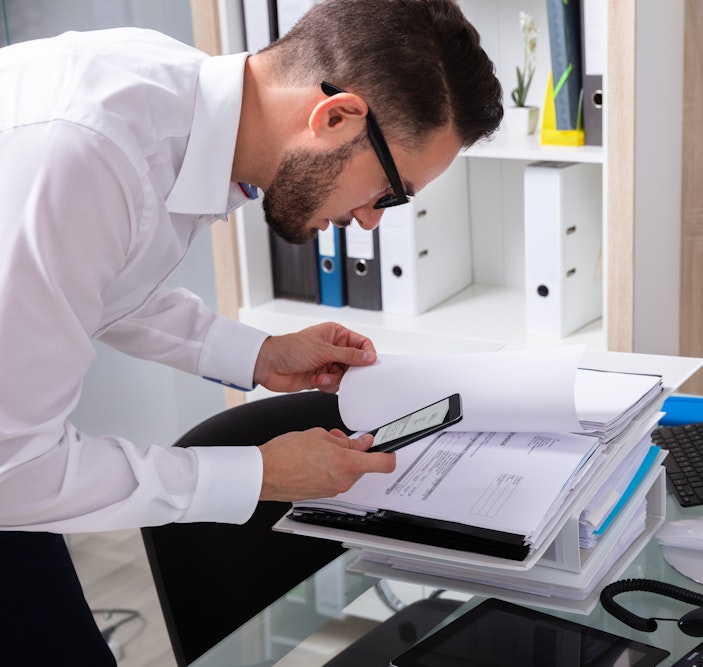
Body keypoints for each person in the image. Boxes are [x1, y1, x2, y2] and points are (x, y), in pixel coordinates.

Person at [0, 0, 503, 662]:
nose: (371, 221)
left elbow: (92, 282)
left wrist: (261, 355)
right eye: (390, 191)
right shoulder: (84, 151)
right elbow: (14, 470)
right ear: (335, 117)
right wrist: (257, 473)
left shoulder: (176, 114)